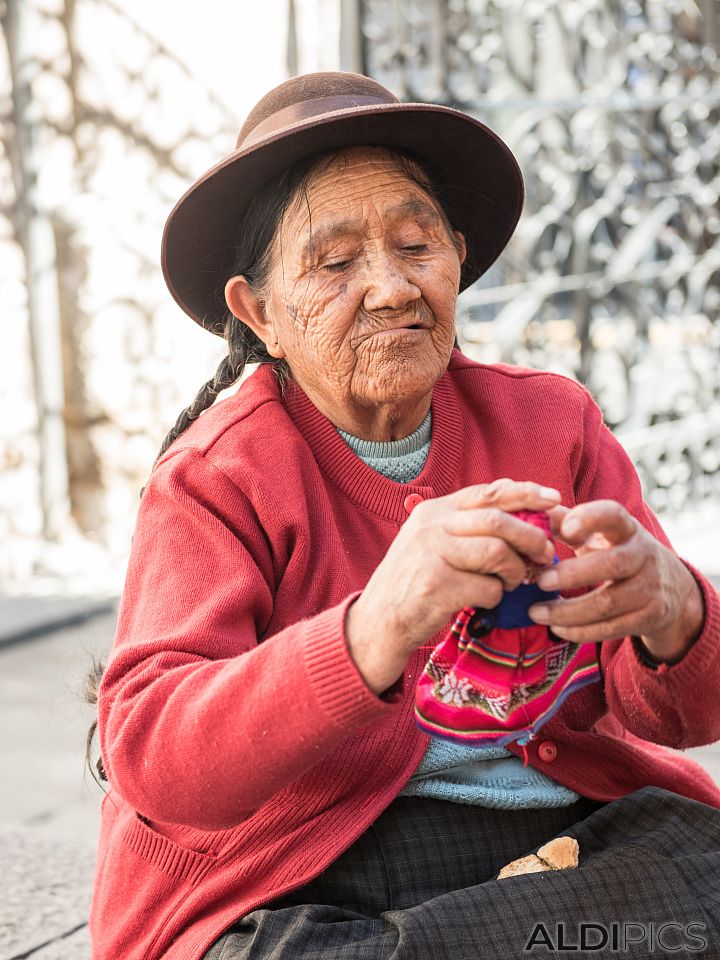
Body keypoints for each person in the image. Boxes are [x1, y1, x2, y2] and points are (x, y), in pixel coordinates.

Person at [86, 71, 720, 960]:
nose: (390, 288)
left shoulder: (551, 422)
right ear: (259, 312)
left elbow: (685, 712)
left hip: (560, 842)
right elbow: (156, 756)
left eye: (417, 245)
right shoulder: (215, 477)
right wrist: (374, 627)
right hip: (301, 871)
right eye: (336, 262)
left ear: (458, 256)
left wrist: (674, 610)